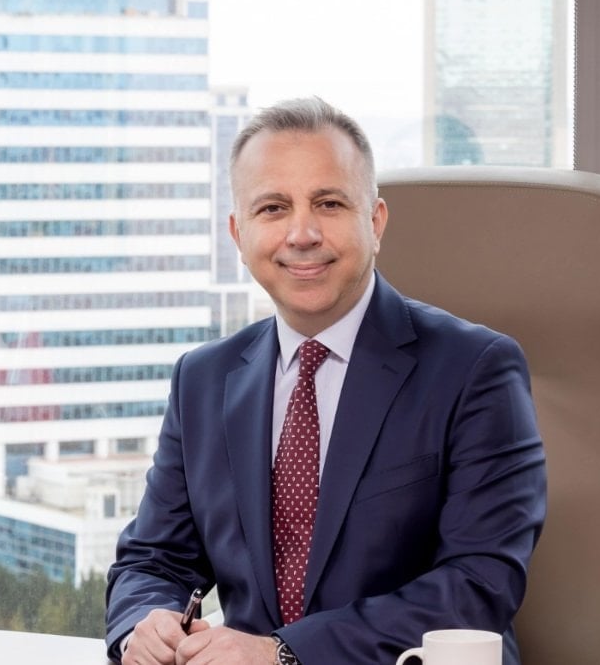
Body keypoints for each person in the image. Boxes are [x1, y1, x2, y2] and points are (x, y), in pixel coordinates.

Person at [105, 97, 547, 665]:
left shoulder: (475, 369)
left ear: (375, 222)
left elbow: (478, 585)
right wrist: (145, 626)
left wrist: (283, 653)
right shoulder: (203, 379)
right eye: (273, 208)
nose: (302, 233)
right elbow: (151, 560)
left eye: (329, 203)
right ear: (238, 235)